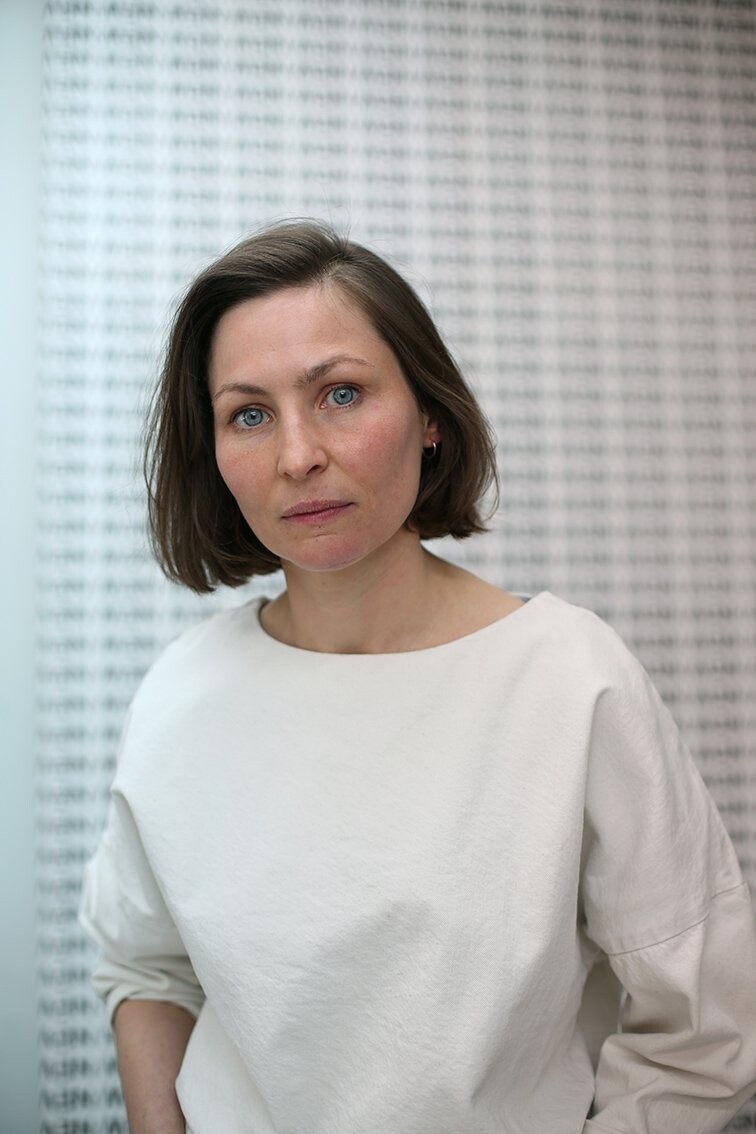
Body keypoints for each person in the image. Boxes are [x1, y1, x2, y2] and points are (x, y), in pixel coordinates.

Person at [80, 220, 756, 1134]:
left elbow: (705, 1037)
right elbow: (147, 969)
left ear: (429, 415)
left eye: (342, 394)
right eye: (249, 413)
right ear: (215, 455)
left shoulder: (569, 679)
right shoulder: (180, 692)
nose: (296, 456)